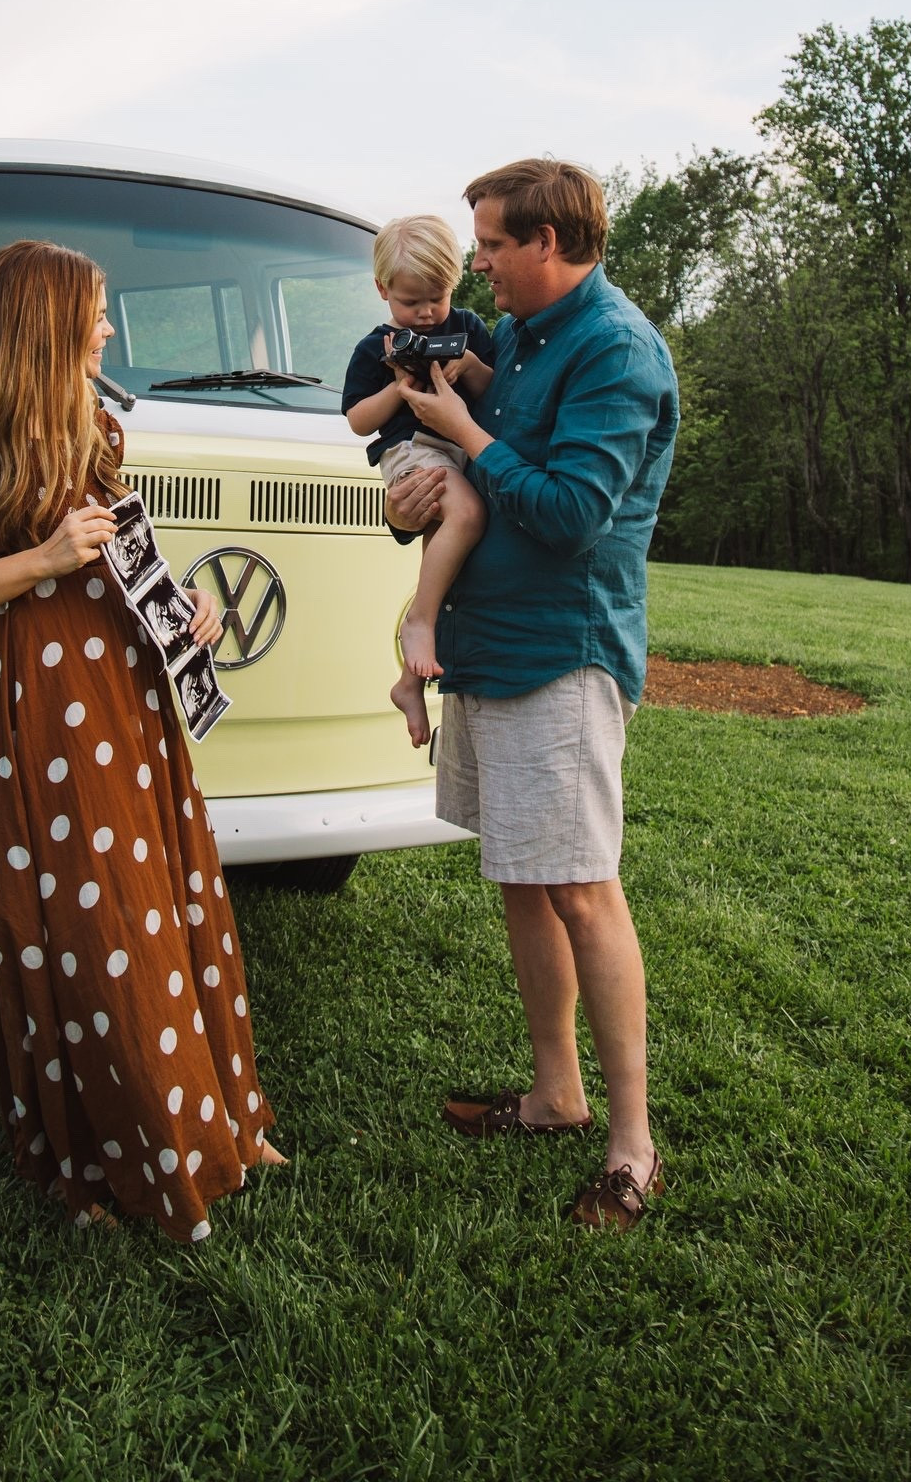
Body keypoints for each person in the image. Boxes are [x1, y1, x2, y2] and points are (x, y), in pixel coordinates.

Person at [0, 239, 283, 1244]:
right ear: (48, 324)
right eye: (96, 311)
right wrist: (41, 559)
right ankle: (106, 1154)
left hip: (119, 696)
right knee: (77, 928)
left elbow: (117, 559)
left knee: (159, 904)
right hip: (25, 710)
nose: (109, 327)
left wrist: (182, 606)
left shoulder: (96, 428)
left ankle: (213, 1123)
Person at [385, 161, 678, 1231]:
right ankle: (556, 1094)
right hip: (490, 645)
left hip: (563, 654)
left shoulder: (615, 350)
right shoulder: (513, 339)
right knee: (522, 875)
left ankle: (632, 1146)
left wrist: (466, 437)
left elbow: (566, 514)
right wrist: (413, 507)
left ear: (548, 241)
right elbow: (476, 494)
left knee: (581, 888)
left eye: (494, 244)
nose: (478, 265)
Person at [341, 215, 495, 747]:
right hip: (411, 449)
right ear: (382, 290)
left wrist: (468, 366)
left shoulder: (467, 329)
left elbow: (495, 392)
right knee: (467, 515)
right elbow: (358, 420)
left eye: (438, 298)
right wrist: (398, 387)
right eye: (412, 302)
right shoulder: (376, 347)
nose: (427, 313)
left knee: (443, 558)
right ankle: (419, 623)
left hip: (459, 450)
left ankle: (409, 683)